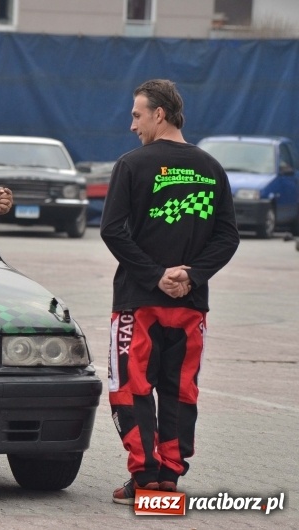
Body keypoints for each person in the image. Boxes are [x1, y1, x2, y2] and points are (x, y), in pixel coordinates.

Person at [99, 79, 239, 504]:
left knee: (131, 386)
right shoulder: (211, 167)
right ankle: (168, 479)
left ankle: (145, 477)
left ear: (159, 114)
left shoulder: (131, 164)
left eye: (137, 115)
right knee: (180, 390)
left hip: (138, 303)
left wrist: (155, 275)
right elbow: (227, 237)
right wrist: (191, 276)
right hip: (189, 307)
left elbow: (112, 230)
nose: (132, 126)